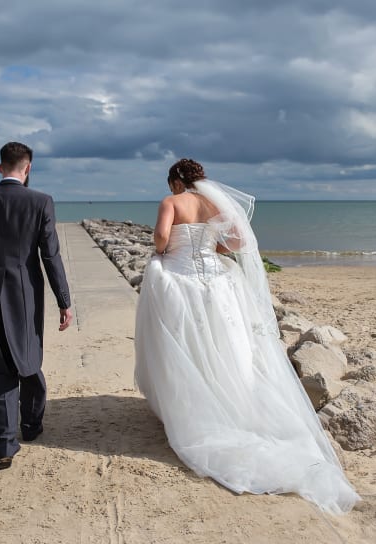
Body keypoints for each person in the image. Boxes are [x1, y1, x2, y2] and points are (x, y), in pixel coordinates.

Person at [134, 159, 359, 513]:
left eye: (171, 181)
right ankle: (229, 401)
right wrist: (211, 248)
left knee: (185, 344)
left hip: (180, 280)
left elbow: (162, 237)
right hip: (217, 282)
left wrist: (161, 254)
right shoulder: (216, 204)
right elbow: (238, 241)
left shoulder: (171, 202)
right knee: (223, 344)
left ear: (176, 180)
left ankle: (193, 407)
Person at [0, 141, 73, 470]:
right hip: (27, 294)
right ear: (28, 168)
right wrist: (64, 301)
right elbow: (50, 256)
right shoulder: (40, 201)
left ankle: (5, 444)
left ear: (0, 167)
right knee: (29, 358)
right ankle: (32, 425)